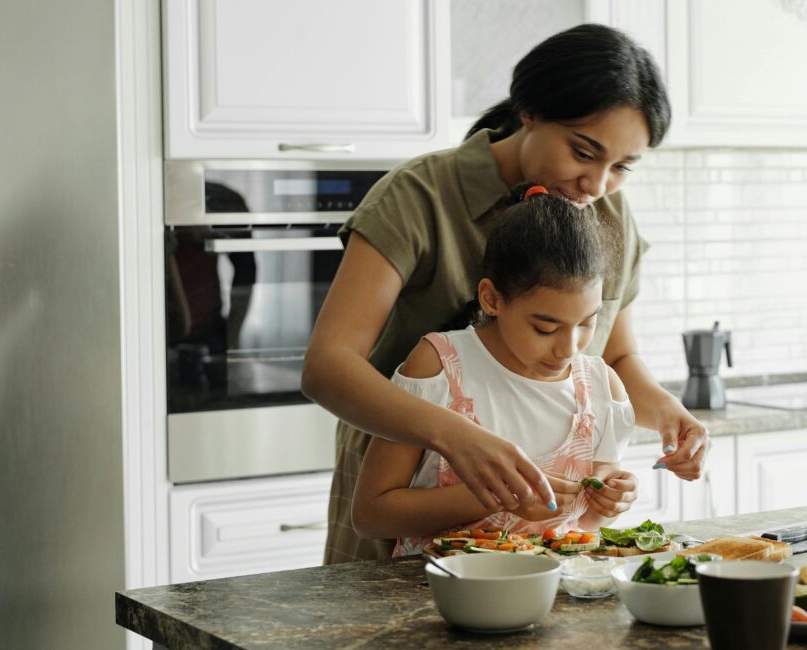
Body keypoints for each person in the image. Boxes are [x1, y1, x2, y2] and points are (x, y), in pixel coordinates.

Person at [302, 23, 711, 563]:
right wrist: (456, 437)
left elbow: (613, 355)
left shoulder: (607, 212)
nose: (597, 184)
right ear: (531, 112)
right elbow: (328, 366)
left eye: (621, 168)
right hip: (404, 491)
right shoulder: (419, 195)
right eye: (583, 152)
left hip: (537, 540)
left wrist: (667, 413)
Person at [353, 185, 637, 555]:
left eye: (587, 323)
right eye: (545, 328)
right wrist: (496, 497)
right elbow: (371, 515)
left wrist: (610, 502)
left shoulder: (601, 388)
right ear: (491, 299)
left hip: (555, 596)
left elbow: (586, 526)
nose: (569, 348)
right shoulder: (439, 367)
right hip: (437, 595)